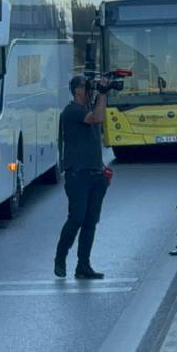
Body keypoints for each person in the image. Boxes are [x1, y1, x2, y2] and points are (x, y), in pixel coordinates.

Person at [55, 75, 111, 280]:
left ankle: (83, 265)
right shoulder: (72, 111)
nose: (91, 90)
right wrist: (102, 93)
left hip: (96, 174)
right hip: (77, 175)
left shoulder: (89, 108)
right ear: (78, 90)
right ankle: (60, 257)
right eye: (87, 87)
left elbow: (97, 128)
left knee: (90, 222)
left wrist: (103, 170)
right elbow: (97, 118)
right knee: (77, 217)